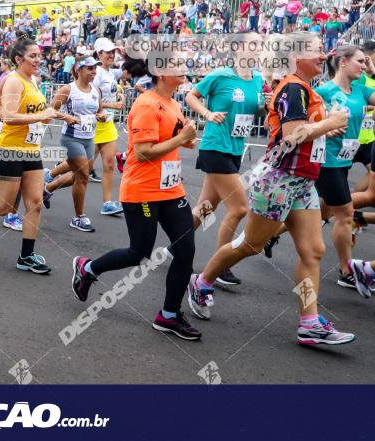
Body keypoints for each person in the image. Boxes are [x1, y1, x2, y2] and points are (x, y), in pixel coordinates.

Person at [188, 32, 354, 345]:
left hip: (302, 181)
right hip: (278, 180)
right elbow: (293, 135)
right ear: (296, 56)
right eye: (318, 51)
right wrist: (328, 124)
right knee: (250, 244)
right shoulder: (293, 86)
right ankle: (202, 281)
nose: (324, 56)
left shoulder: (305, 88)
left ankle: (309, 322)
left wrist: (327, 130)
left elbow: (297, 131)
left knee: (313, 251)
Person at [71, 54, 201, 340]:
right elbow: (142, 152)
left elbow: (174, 140)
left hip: (171, 189)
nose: (184, 70)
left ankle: (168, 315)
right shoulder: (145, 104)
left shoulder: (173, 103)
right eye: (177, 66)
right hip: (142, 190)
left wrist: (187, 139)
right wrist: (180, 139)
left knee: (185, 250)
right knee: (138, 252)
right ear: (161, 72)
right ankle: (88, 268)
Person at [0, 38, 73, 274]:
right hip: (9, 149)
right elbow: (8, 115)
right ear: (19, 59)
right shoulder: (14, 81)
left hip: (31, 150)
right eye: (33, 56)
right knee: (3, 206)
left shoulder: (34, 81)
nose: (38, 59)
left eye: (39, 55)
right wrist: (40, 117)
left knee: (35, 204)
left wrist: (58, 115)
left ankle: (26, 257)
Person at [184, 32, 266, 286]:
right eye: (252, 44)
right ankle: (220, 265)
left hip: (235, 149)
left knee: (206, 207)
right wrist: (207, 114)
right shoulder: (221, 74)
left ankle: (177, 244)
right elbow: (191, 96)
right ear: (238, 48)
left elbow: (255, 110)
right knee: (240, 208)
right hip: (215, 146)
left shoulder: (257, 79)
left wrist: (266, 105)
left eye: (259, 45)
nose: (257, 49)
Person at [313, 45, 375, 286]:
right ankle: (347, 271)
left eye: (366, 62)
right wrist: (325, 125)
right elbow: (309, 121)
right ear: (342, 62)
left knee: (320, 210)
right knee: (345, 213)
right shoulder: (325, 91)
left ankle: (268, 233)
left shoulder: (360, 89)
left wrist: (373, 72)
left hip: (344, 160)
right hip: (326, 161)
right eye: (360, 61)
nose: (363, 65)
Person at [42, 56, 104, 231]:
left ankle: (48, 188)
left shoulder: (95, 90)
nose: (94, 72)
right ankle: (78, 217)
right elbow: (51, 110)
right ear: (79, 69)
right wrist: (66, 117)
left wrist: (102, 116)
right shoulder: (68, 89)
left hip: (88, 138)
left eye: (95, 68)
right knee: (83, 176)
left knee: (79, 176)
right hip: (71, 138)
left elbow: (99, 111)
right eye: (90, 68)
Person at [86, 38, 125, 213]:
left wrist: (124, 54)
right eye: (107, 52)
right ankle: (51, 180)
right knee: (82, 170)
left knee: (109, 165)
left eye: (113, 52)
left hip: (107, 123)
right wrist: (113, 105)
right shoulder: (97, 73)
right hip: (93, 124)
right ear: (98, 54)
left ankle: (107, 203)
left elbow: (131, 71)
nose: (111, 54)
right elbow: (91, 99)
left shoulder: (111, 73)